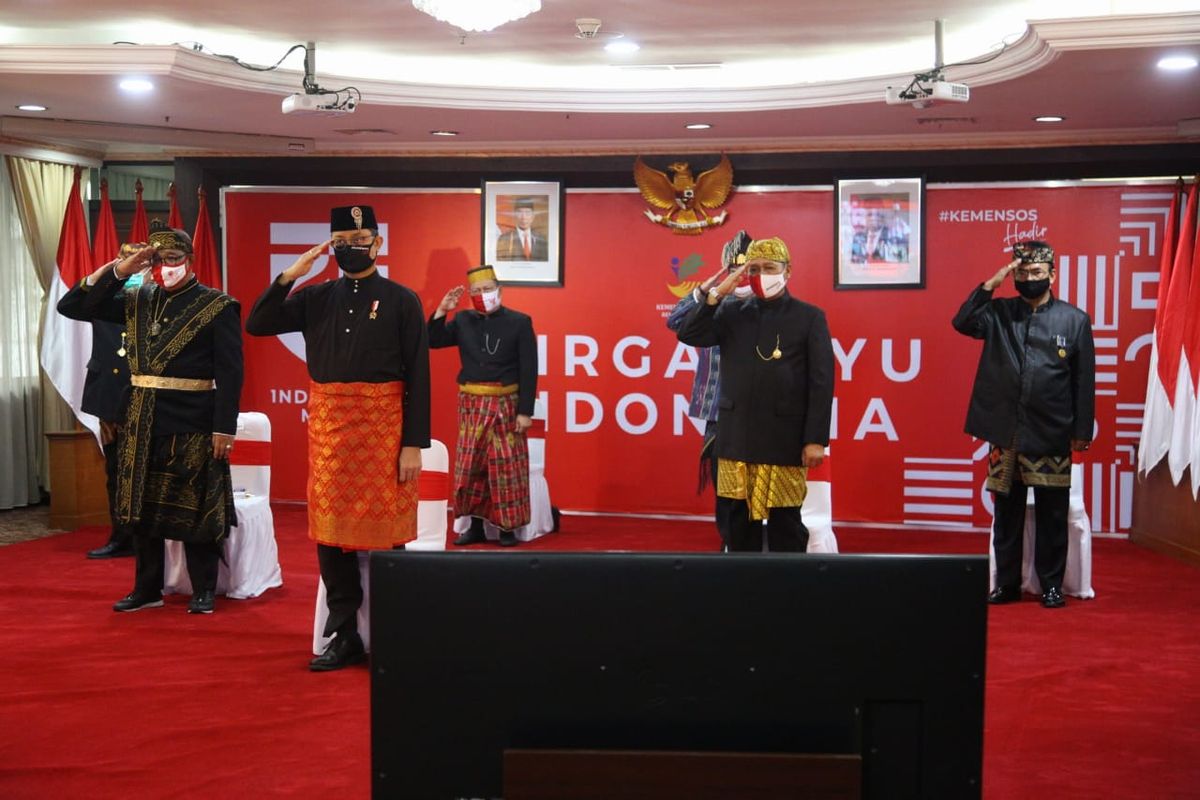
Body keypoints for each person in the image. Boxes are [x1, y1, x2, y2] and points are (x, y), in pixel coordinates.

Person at [245, 204, 430, 670]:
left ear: (378, 243)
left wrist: (413, 443)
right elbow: (258, 323)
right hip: (330, 431)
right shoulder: (315, 297)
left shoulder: (401, 299)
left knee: (388, 536)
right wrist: (291, 274)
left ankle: (395, 630)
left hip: (384, 431)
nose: (352, 248)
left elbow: (420, 377)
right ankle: (344, 633)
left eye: (361, 238)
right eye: (342, 242)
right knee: (329, 535)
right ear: (332, 246)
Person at [59, 221, 243, 614]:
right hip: (140, 415)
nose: (166, 266)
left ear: (190, 260)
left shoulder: (217, 305)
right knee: (139, 506)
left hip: (193, 417)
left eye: (173, 258)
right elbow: (72, 305)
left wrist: (224, 427)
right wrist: (123, 269)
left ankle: (203, 589)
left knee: (193, 505)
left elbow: (231, 373)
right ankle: (147, 589)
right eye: (158, 260)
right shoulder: (136, 299)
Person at [953, 240, 1095, 609]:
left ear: (1052, 274)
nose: (1029, 279)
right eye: (1022, 273)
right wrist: (992, 282)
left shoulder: (1074, 320)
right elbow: (962, 322)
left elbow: (1083, 382)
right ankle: (1007, 585)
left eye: (1036, 273)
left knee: (1052, 514)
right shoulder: (999, 313)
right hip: (1006, 431)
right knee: (1007, 515)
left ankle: (1051, 585)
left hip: (1052, 430)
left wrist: (1081, 431)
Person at [675, 236, 834, 552]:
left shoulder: (809, 316)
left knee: (785, 522)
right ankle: (740, 590)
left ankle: (787, 592)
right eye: (755, 269)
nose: (762, 275)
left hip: (784, 439)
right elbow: (689, 333)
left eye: (770, 268)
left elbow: (821, 381)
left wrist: (816, 439)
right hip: (736, 438)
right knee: (737, 524)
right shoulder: (732, 312)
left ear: (787, 272)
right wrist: (718, 293)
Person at [429, 265, 537, 547]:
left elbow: (530, 369)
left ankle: (506, 529)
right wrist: (443, 309)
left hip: (507, 404)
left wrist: (525, 411)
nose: (482, 295)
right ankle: (474, 526)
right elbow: (433, 340)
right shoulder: (463, 320)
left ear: (499, 290)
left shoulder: (520, 322)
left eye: (487, 289)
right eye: (476, 291)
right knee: (471, 467)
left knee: (505, 467)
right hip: (472, 403)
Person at [55, 242, 144, 559]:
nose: (133, 270)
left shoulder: (157, 301)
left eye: (139, 264)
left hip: (147, 395)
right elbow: (68, 306)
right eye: (126, 261)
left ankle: (150, 538)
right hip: (109, 394)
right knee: (117, 471)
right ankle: (121, 537)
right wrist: (106, 272)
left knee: (149, 472)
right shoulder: (104, 301)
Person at [665, 229, 753, 550]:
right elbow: (675, 322)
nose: (740, 276)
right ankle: (729, 543)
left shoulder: (767, 304)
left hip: (756, 413)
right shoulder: (712, 306)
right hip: (719, 413)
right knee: (724, 487)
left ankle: (753, 545)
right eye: (734, 269)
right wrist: (707, 289)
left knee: (755, 490)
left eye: (747, 269)